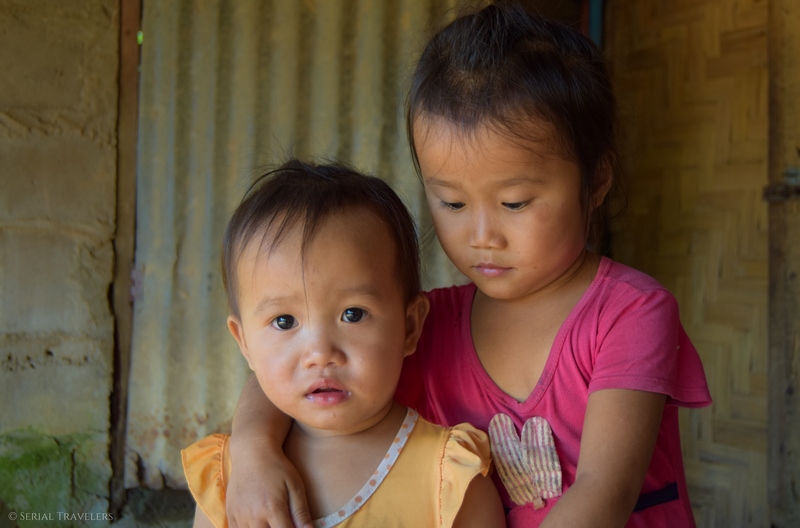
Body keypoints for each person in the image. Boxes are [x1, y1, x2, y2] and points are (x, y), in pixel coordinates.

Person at [224, 4, 712, 528]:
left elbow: (603, 493)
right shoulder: (429, 325)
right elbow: (295, 361)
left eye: (516, 202)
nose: (482, 236)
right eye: (452, 204)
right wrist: (253, 452)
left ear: (595, 181)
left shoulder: (630, 314)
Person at [181, 160, 505, 528]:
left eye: (353, 314)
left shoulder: (449, 480)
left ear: (410, 327)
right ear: (244, 343)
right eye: (284, 321)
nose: (320, 353)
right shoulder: (231, 479)